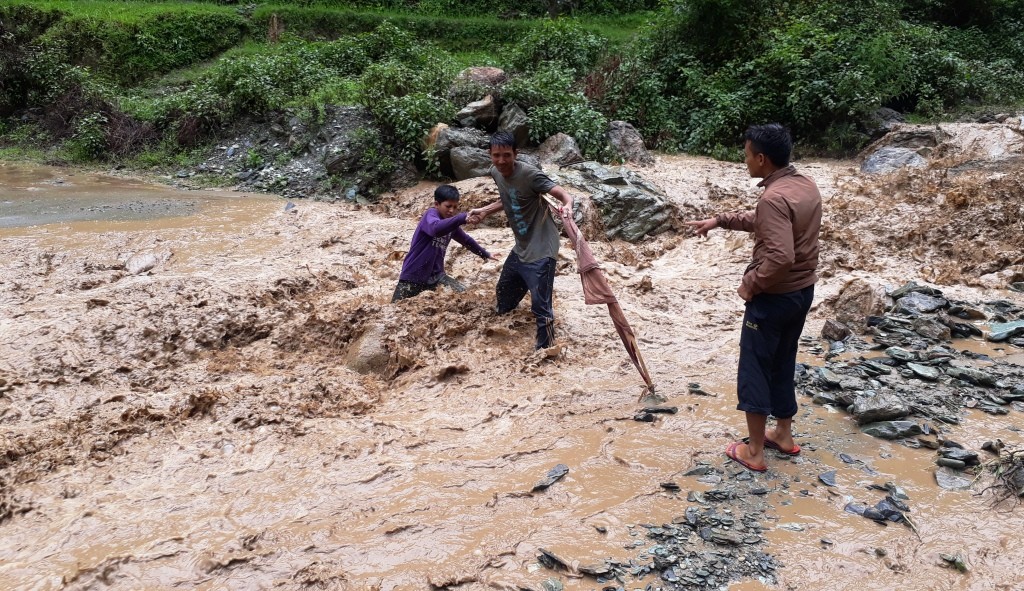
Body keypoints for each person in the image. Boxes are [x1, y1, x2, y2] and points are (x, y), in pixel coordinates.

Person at [686, 123, 822, 472]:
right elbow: (765, 221)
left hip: (773, 298)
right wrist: (719, 220)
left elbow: (780, 256)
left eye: (746, 154)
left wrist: (751, 284)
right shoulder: (803, 186)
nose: (744, 160)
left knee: (755, 369)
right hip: (801, 292)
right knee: (783, 361)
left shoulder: (774, 197)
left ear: (761, 159)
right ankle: (783, 435)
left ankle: (755, 452)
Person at [467, 131, 573, 350]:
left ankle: (546, 351)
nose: (501, 160)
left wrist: (568, 205)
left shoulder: (530, 175)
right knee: (504, 295)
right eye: (497, 155)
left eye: (507, 155)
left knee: (541, 307)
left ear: (516, 154)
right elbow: (510, 197)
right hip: (521, 247)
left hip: (543, 248)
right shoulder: (495, 172)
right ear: (490, 155)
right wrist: (486, 211)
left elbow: (563, 194)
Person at [392, 184, 498, 303]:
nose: (451, 210)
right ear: (437, 204)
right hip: (413, 276)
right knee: (395, 309)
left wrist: (485, 254)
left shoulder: (451, 224)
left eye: (455, 207)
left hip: (437, 277)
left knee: (467, 298)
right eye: (448, 206)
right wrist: (461, 218)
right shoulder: (430, 215)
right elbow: (436, 229)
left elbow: (466, 240)